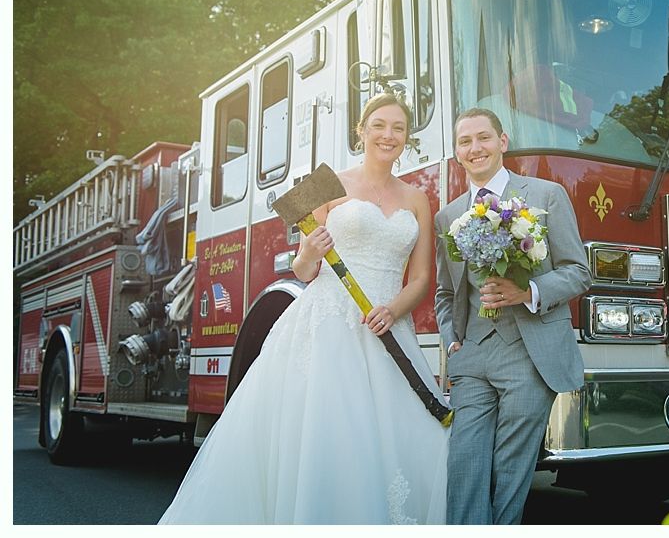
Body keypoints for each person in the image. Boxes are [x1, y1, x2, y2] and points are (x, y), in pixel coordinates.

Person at [159, 93, 448, 524]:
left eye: (399, 128)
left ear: (406, 137)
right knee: (329, 433)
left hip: (389, 328)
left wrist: (391, 310)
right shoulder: (326, 183)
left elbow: (422, 278)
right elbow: (303, 268)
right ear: (362, 131)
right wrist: (310, 249)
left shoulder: (417, 198)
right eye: (380, 125)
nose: (389, 135)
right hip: (328, 324)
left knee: (417, 437)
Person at [434, 107, 590, 524]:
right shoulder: (447, 216)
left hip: (529, 352)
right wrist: (452, 338)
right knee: (463, 464)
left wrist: (528, 291)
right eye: (465, 141)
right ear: (456, 153)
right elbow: (445, 292)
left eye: (483, 137)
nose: (475, 148)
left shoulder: (545, 195)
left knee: (511, 473)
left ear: (502, 142)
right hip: (472, 357)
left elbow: (578, 272)